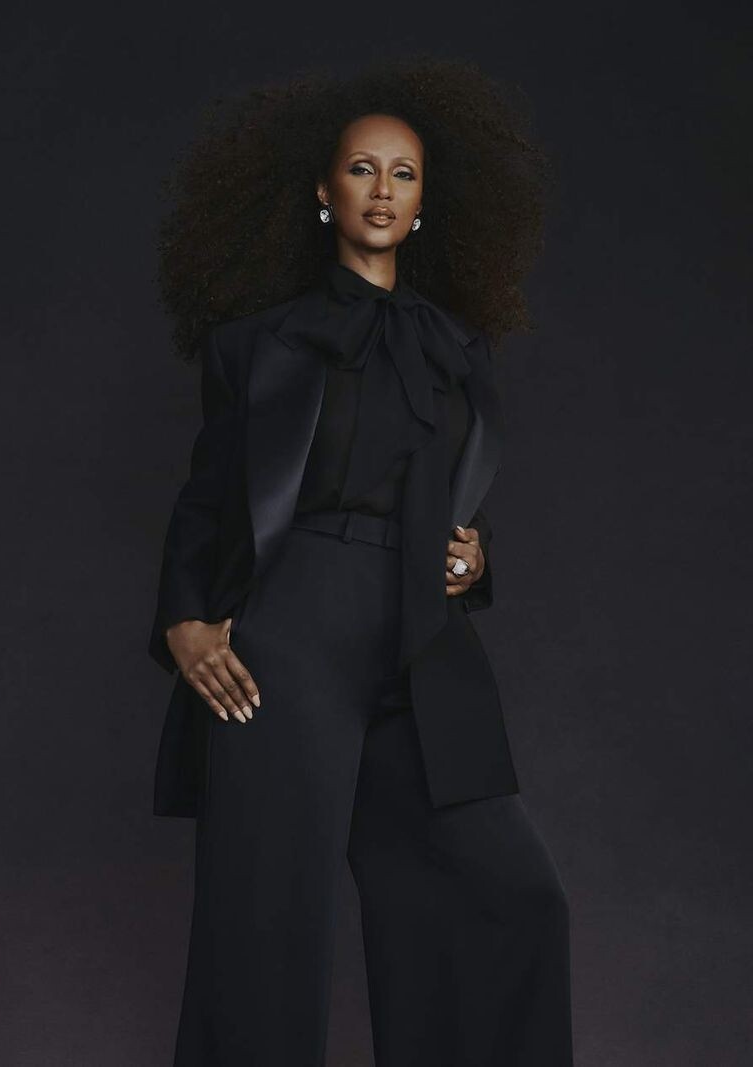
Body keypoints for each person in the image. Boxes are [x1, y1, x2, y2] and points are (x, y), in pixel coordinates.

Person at [147, 56, 573, 1067]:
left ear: (424, 206)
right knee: (265, 931)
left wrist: (471, 557)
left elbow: (443, 496)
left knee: (510, 896)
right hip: (289, 638)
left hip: (418, 642)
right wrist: (184, 618)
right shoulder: (258, 344)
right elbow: (210, 498)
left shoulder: (456, 351)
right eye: (361, 169)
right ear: (322, 191)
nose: (382, 189)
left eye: (403, 173)